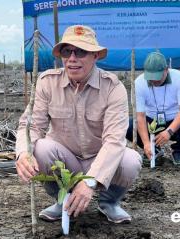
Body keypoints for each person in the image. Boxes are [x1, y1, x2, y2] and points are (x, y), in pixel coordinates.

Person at [15, 25, 141, 224]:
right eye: (67, 51)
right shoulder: (47, 82)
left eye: (81, 51)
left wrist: (90, 181)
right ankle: (62, 200)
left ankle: (109, 203)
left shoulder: (113, 87)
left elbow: (114, 141)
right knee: (40, 147)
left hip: (98, 158)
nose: (72, 58)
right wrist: (23, 153)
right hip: (65, 159)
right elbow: (31, 126)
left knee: (130, 160)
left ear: (95, 56)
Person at [126, 52, 180, 165]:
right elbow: (140, 116)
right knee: (127, 125)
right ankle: (153, 151)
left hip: (175, 120)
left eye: (157, 77)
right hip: (150, 121)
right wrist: (146, 143)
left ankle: (178, 152)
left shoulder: (179, 78)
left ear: (166, 70)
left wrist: (169, 131)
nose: (154, 81)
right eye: (151, 78)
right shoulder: (139, 83)